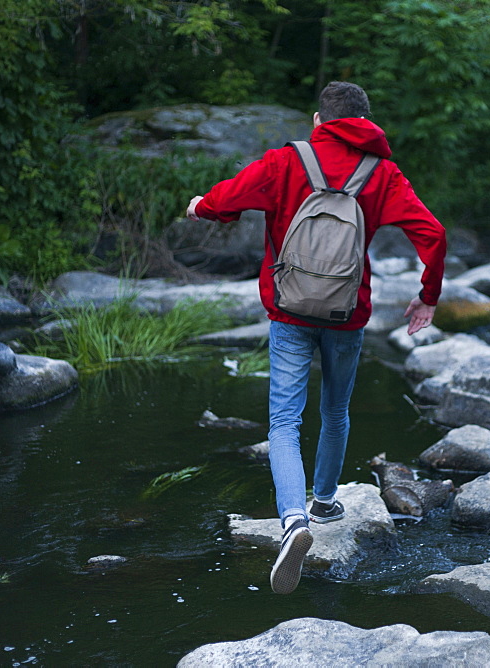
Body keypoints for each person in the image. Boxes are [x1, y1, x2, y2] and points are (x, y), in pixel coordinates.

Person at [185, 81, 446, 594]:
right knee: (335, 410)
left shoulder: (287, 161)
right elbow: (432, 234)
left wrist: (200, 207)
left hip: (289, 310)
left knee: (284, 421)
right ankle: (324, 501)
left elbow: (227, 198)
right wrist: (428, 295)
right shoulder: (383, 172)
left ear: (317, 119)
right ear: (366, 122)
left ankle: (293, 521)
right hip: (348, 313)